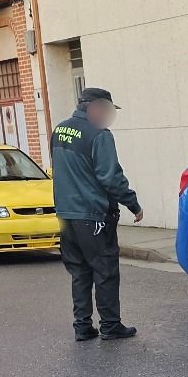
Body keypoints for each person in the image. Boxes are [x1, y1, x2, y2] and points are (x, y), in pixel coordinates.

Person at [50, 87, 143, 341]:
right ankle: (110, 325)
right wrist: (133, 203)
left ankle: (82, 326)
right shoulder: (99, 134)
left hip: (66, 215)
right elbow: (110, 177)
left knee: (79, 271)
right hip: (92, 215)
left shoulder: (59, 130)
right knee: (105, 270)